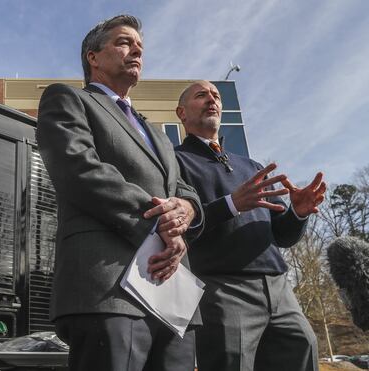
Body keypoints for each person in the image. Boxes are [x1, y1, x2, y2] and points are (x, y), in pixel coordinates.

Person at [37, 15, 204, 371]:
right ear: (93, 57)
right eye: (124, 43)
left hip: (172, 294)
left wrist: (186, 211)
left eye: (140, 47)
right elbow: (78, 169)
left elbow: (184, 190)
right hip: (108, 288)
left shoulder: (157, 133)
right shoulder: (68, 99)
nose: (136, 52)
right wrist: (158, 220)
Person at [174, 80, 326, 371]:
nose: (212, 100)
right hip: (222, 289)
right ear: (181, 113)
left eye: (216, 95)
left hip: (279, 288)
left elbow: (282, 235)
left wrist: (298, 213)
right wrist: (231, 204)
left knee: (304, 349)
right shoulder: (175, 161)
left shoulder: (252, 166)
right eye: (201, 95)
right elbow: (182, 224)